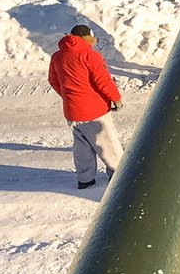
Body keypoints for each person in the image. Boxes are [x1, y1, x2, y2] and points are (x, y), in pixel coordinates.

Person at [47, 23, 124, 190]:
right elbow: (103, 81)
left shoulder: (57, 56)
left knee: (82, 147)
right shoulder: (90, 55)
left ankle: (85, 179)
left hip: (72, 111)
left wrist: (68, 97)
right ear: (87, 39)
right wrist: (115, 98)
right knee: (108, 144)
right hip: (94, 110)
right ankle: (119, 176)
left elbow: (53, 81)